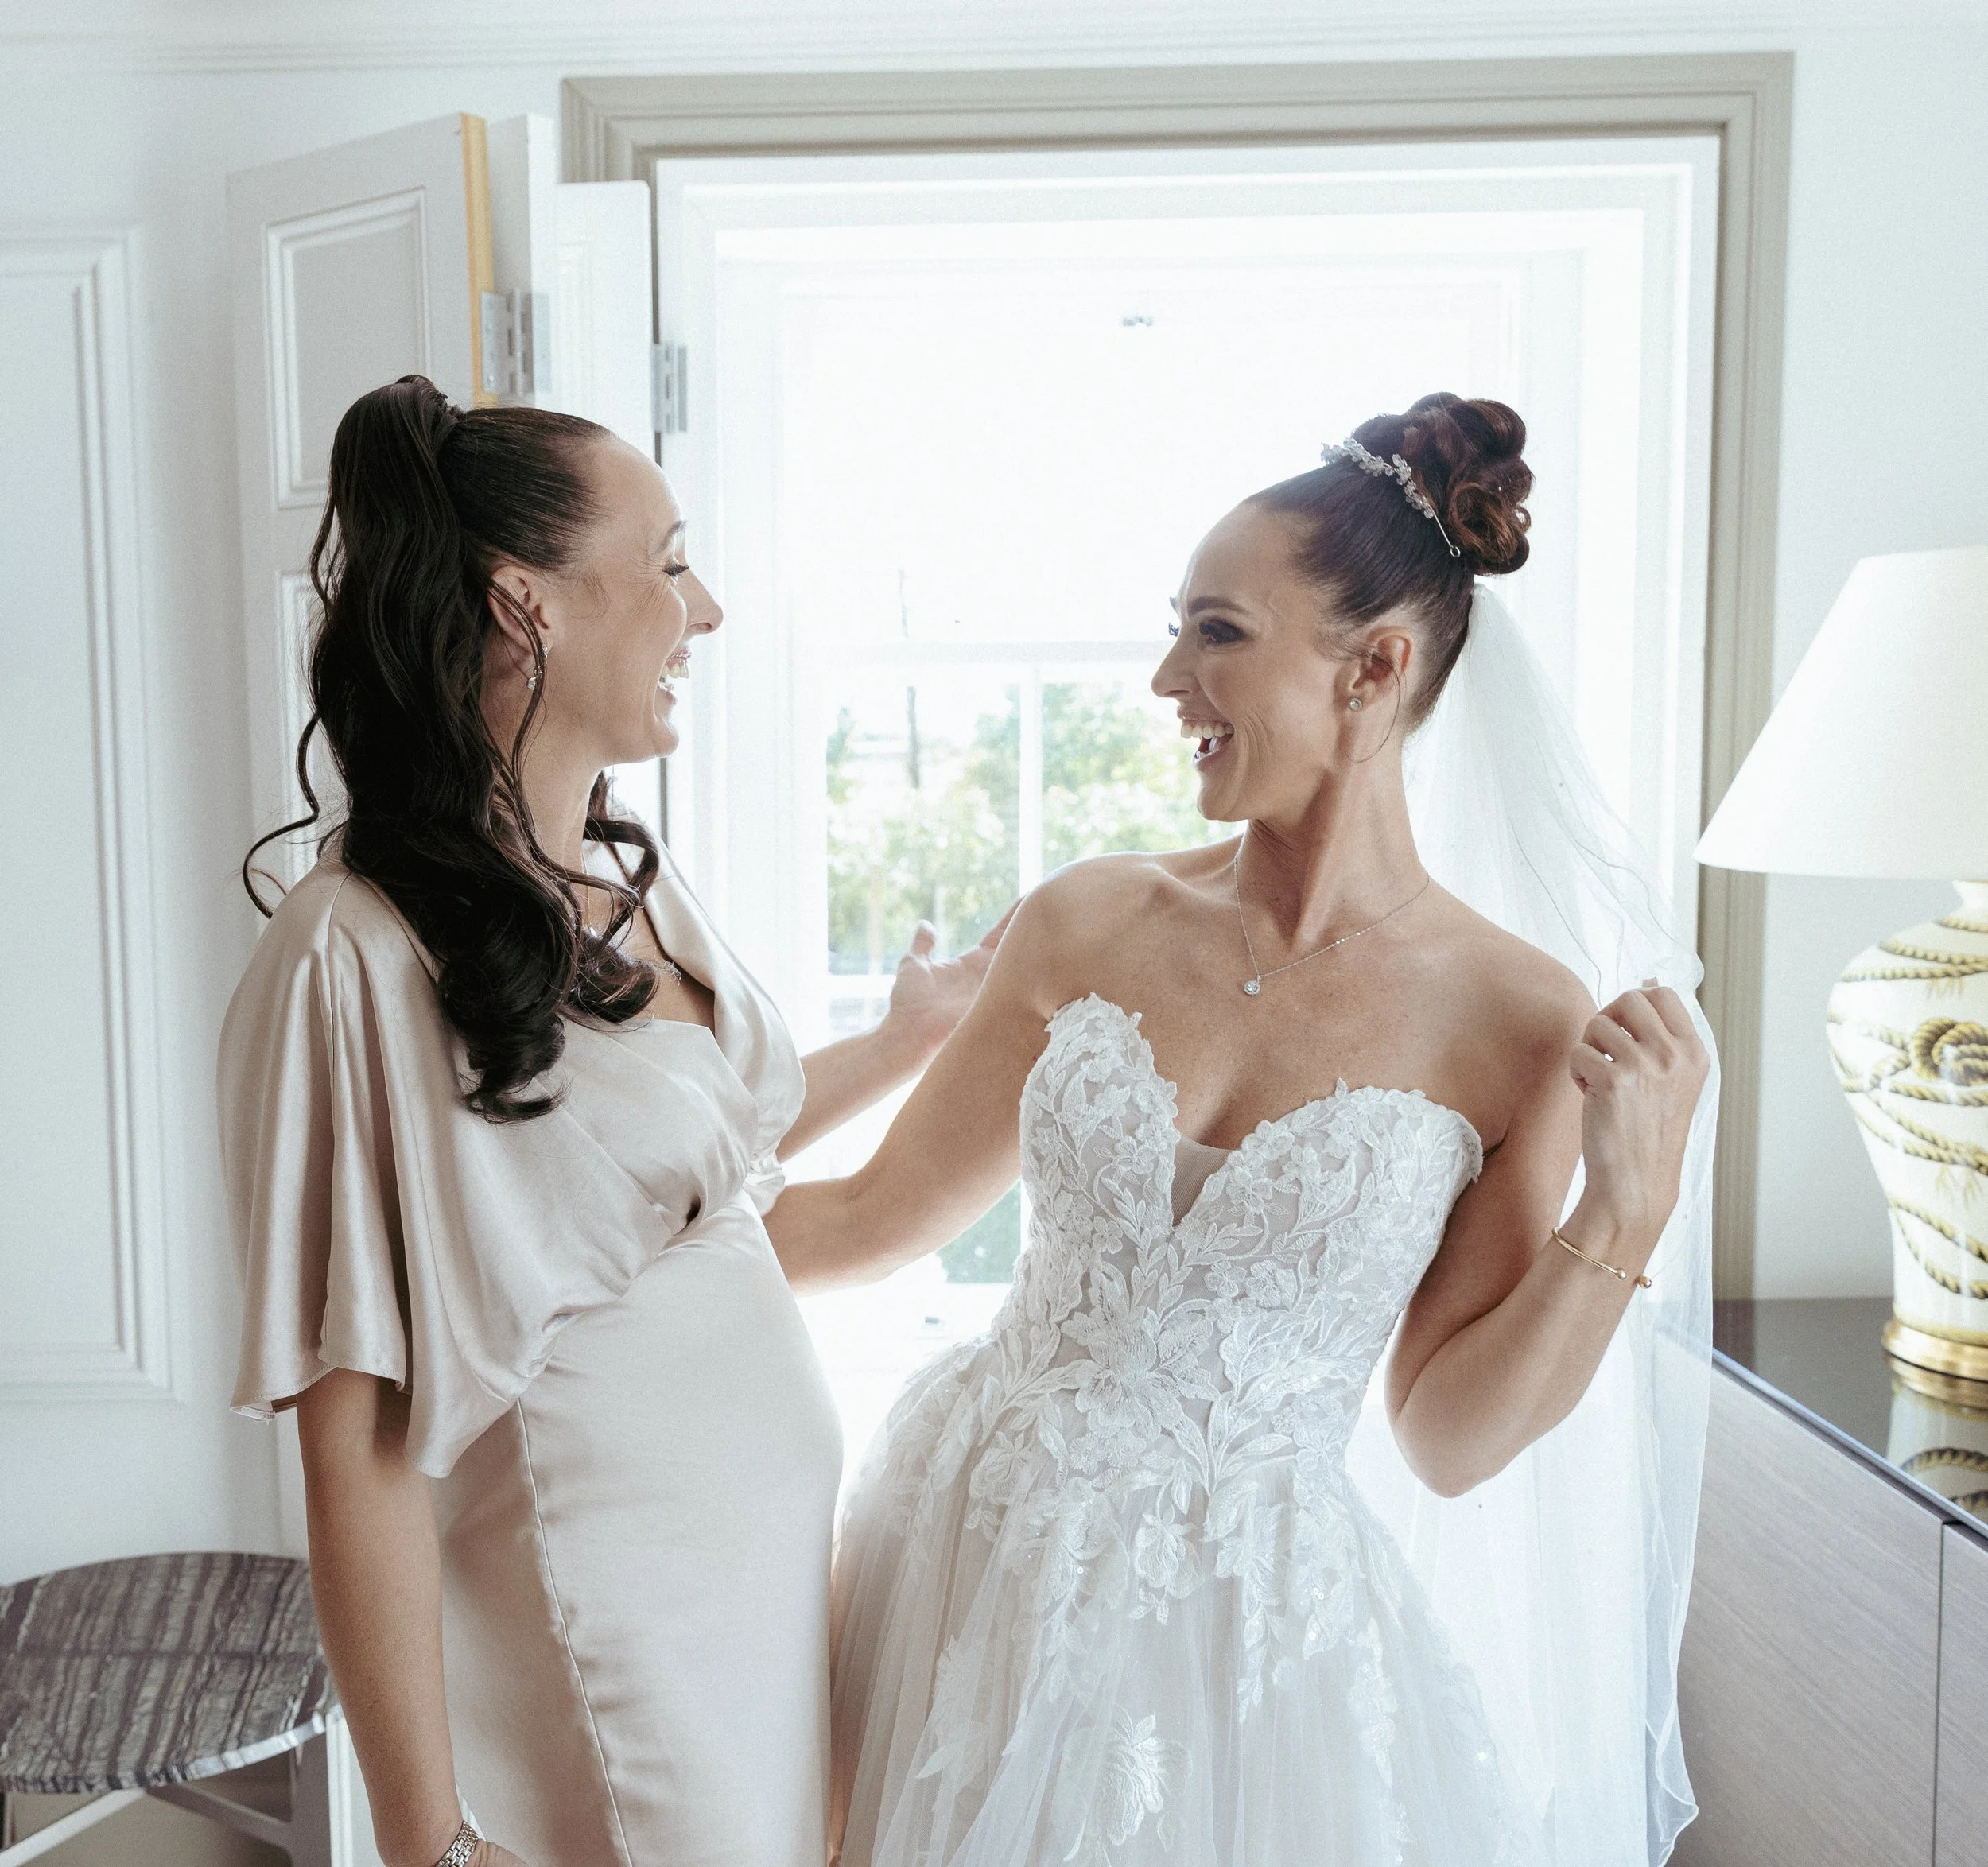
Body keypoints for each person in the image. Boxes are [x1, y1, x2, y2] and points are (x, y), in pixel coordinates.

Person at [767, 394, 1718, 1867]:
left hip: (1245, 1655)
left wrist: (1625, 1214)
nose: (1166, 677)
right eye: (1177, 628)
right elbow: (854, 1225)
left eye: (1216, 633)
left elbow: (1451, 1436)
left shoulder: (1516, 1020)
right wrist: (576, 1227)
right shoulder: (1091, 917)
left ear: (1373, 668)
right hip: (969, 1559)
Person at [218, 376, 997, 1867]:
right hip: (606, 1615)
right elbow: (355, 1438)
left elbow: (683, 1181)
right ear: (527, 605)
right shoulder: (355, 955)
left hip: (759, 1601)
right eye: (667, 558)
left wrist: (907, 1043)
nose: (702, 610)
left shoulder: (631, 889)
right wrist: (423, 1834)